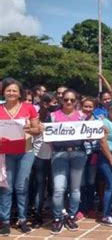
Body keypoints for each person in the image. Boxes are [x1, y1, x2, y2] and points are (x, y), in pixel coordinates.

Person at [0, 78, 41, 236]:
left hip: (25, 151)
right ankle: (5, 221)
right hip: (5, 153)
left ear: (19, 93)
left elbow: (38, 130)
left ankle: (22, 219)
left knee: (21, 187)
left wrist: (28, 128)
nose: (11, 93)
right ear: (3, 92)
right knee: (6, 188)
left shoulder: (28, 108)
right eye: (8, 90)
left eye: (14, 91)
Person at [48, 89, 87, 234]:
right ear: (61, 100)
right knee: (59, 188)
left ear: (76, 101)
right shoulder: (53, 116)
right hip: (59, 154)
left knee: (75, 189)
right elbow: (48, 136)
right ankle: (57, 218)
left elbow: (89, 134)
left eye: (72, 100)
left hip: (78, 153)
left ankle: (71, 216)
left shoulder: (82, 116)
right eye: (66, 100)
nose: (69, 102)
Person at [31, 93, 58, 228]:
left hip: (55, 156)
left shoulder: (57, 116)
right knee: (40, 187)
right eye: (53, 103)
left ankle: (55, 213)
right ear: (45, 104)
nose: (56, 105)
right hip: (39, 156)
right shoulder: (36, 115)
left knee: (54, 187)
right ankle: (37, 215)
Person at [78, 97, 99, 220]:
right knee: (80, 183)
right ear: (81, 107)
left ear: (94, 108)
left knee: (91, 182)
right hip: (80, 153)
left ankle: (90, 207)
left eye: (90, 107)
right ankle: (80, 208)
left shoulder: (98, 120)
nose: (87, 109)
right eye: (85, 106)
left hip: (94, 154)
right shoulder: (76, 120)